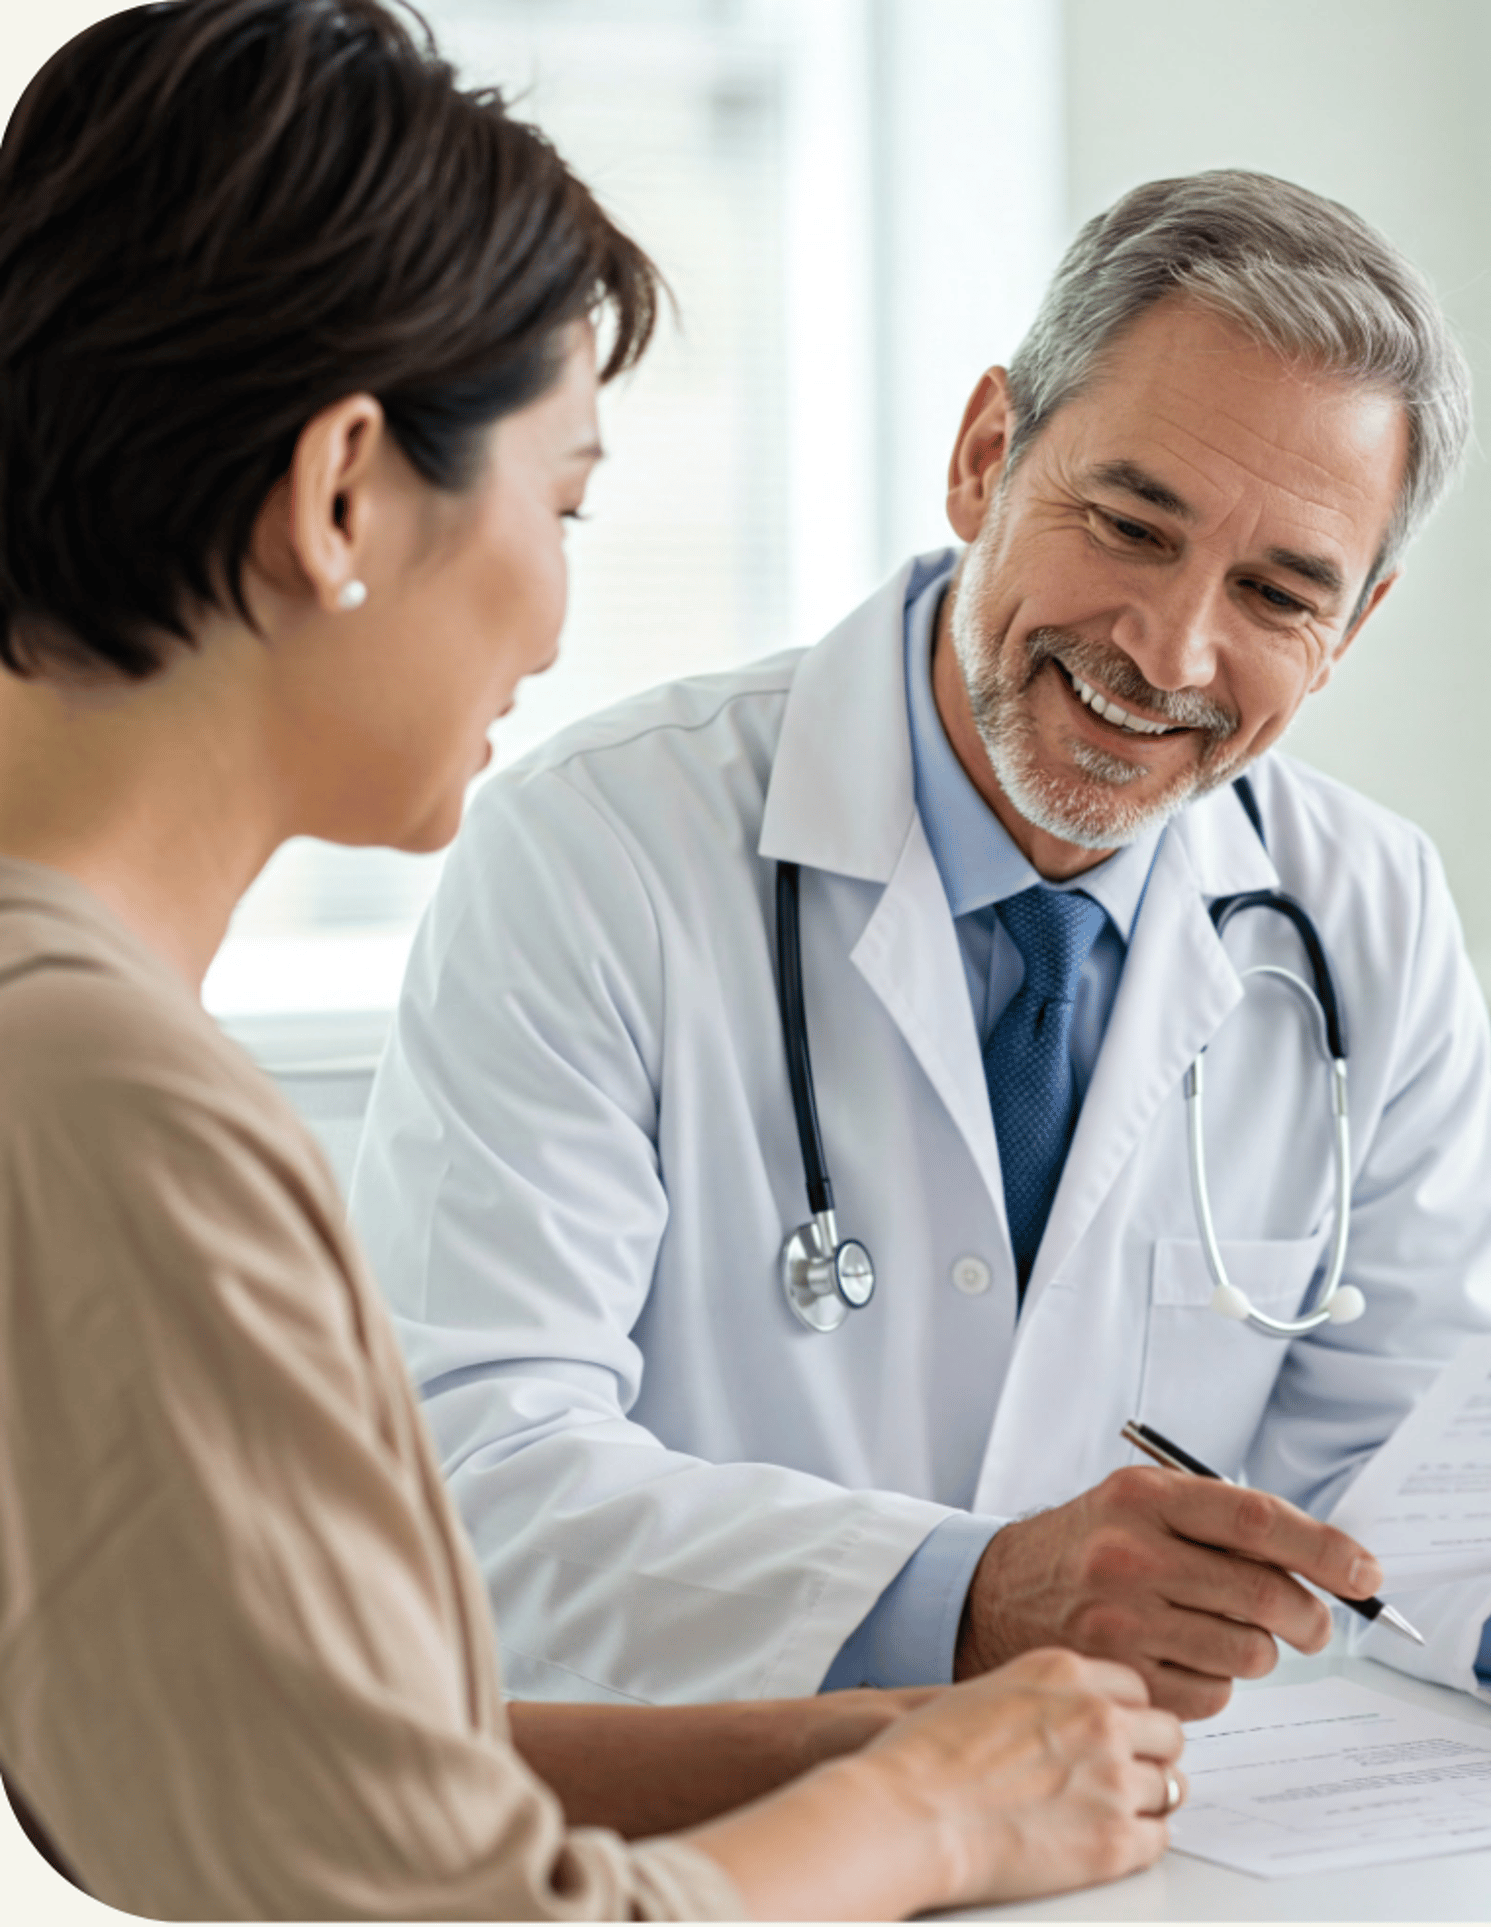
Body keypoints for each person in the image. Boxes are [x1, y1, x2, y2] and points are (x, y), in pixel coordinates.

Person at [350, 166, 1491, 1740]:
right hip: (701, 1833)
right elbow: (471, 1471)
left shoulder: (1363, 905)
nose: (1169, 648)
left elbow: (1418, 1456)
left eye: (1277, 592)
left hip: (1144, 1845)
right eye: (1130, 525)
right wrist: (974, 1591)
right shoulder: (600, 850)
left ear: (1357, 623)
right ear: (987, 455)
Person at [0, 2, 1189, 1917]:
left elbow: (274, 1750)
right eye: (561, 504)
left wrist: (854, 1740)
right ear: (339, 499)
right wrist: (933, 1818)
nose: (560, 618)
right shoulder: (104, 1101)